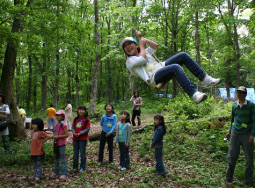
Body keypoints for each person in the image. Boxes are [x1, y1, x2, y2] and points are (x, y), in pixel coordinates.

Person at [120, 30, 221, 104]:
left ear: (136, 45)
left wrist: (142, 38)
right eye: (125, 46)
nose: (128, 47)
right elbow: (142, 59)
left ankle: (204, 78)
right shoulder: (129, 61)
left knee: (183, 55)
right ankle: (194, 94)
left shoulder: (144, 51)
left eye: (130, 43)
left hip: (161, 67)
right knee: (175, 67)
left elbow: (155, 46)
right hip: (153, 77)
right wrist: (142, 45)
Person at [225, 86, 255, 186]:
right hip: (235, 133)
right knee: (231, 156)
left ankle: (248, 180)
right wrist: (229, 132)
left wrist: (252, 134)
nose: (240, 94)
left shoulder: (251, 105)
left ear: (245, 94)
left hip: (246, 134)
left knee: (249, 158)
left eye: (242, 93)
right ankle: (228, 178)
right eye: (238, 93)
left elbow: (254, 121)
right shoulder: (234, 105)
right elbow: (232, 120)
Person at [50, 110, 69, 180]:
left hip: (62, 144)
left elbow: (67, 134)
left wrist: (58, 137)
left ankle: (65, 173)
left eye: (59, 115)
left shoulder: (64, 125)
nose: (57, 117)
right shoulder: (55, 125)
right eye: (56, 115)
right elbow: (54, 133)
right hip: (56, 144)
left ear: (62, 116)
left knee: (63, 158)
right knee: (56, 158)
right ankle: (56, 171)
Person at [72, 105, 90, 173]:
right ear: (78, 111)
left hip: (83, 138)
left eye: (82, 110)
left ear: (85, 111)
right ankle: (75, 167)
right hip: (75, 138)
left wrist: (80, 133)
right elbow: (72, 127)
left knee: (82, 153)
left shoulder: (87, 120)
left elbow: (87, 129)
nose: (81, 111)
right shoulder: (75, 119)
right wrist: (74, 133)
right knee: (75, 153)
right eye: (80, 110)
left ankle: (82, 167)